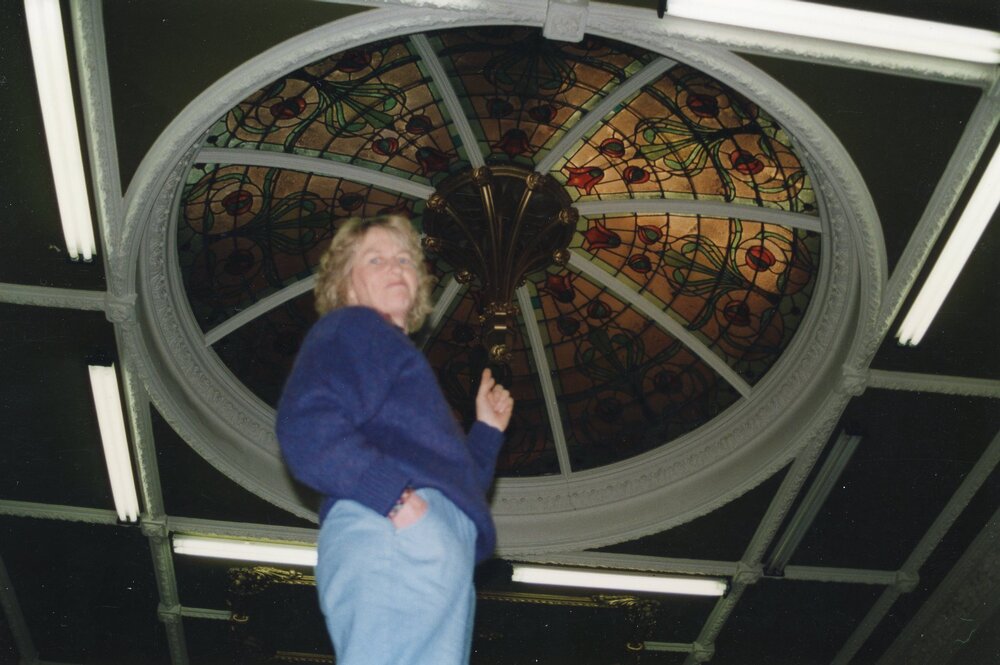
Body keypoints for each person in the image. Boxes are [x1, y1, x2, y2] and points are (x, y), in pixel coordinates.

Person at [276, 214, 514, 665]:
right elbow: (307, 426)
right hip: (394, 530)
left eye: (404, 258)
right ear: (347, 287)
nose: (396, 266)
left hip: (430, 540)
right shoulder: (353, 328)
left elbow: (454, 486)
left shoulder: (389, 354)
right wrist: (396, 500)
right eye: (376, 258)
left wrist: (485, 433)